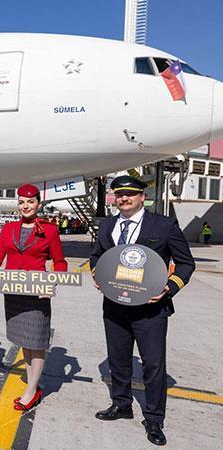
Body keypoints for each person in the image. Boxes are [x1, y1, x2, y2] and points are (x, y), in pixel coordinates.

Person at [90, 175, 194, 446]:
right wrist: (97, 273)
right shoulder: (107, 225)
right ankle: (121, 404)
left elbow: (186, 263)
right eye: (119, 194)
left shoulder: (164, 225)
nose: (124, 198)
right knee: (118, 359)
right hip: (115, 305)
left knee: (154, 365)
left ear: (142, 197)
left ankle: (154, 419)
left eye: (130, 194)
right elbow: (97, 256)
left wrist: (169, 288)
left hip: (151, 309)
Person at [0, 184, 67, 411]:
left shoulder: (50, 230)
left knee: (37, 341)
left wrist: (52, 284)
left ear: (38, 204)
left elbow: (60, 262)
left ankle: (32, 389)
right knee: (25, 339)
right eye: (21, 202)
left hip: (37, 294)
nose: (25, 206)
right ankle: (33, 384)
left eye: (30, 202)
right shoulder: (8, 229)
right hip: (13, 293)